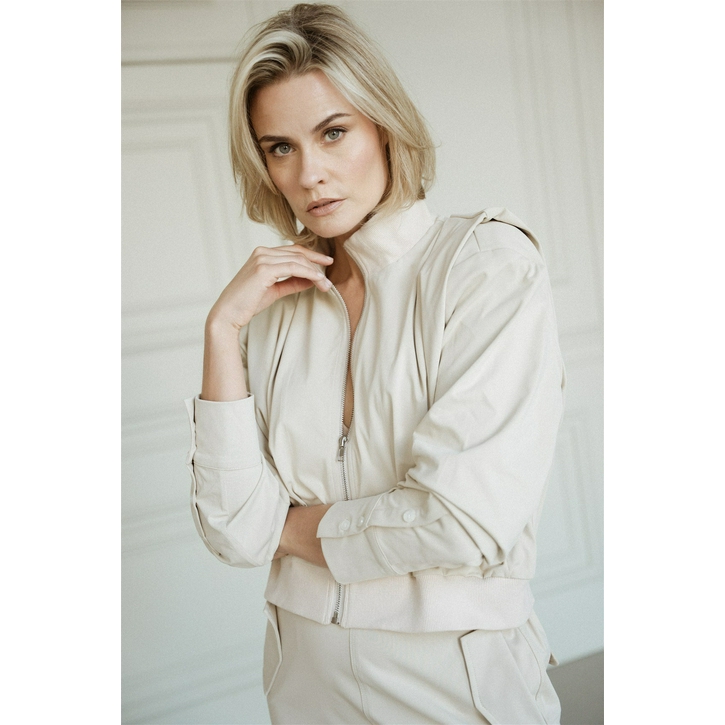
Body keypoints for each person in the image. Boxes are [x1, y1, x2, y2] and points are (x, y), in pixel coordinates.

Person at [185, 4, 565, 723]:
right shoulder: (272, 304)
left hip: (453, 676)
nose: (309, 174)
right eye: (280, 147)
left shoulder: (484, 268)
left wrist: (286, 528)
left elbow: (460, 520)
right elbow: (232, 529)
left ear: (384, 126)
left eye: (333, 133)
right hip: (303, 679)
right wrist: (222, 327)